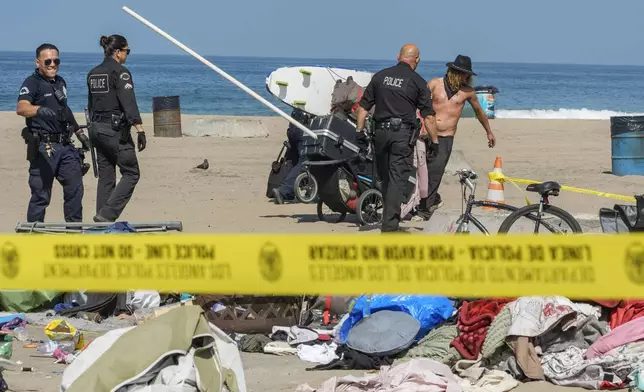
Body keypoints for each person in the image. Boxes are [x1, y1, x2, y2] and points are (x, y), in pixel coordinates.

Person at [355, 44, 438, 233]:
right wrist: (435, 141)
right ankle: (390, 226)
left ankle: (387, 218)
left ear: (398, 56)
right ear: (417, 59)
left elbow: (363, 107)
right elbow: (429, 117)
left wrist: (359, 131)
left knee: (384, 178)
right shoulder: (417, 82)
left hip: (380, 134)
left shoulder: (380, 77)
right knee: (396, 178)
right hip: (401, 136)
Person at [416, 54, 496, 220]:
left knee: (435, 171)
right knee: (419, 170)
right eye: (462, 73)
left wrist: (488, 131)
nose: (465, 76)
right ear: (453, 71)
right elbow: (417, 105)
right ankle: (425, 201)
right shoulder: (434, 84)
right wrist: (419, 125)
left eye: (467, 74)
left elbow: (479, 112)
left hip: (446, 137)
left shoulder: (468, 92)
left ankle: (424, 209)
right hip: (426, 134)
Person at [16, 43, 90, 223]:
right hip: (44, 148)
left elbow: (65, 109)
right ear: (37, 63)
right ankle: (33, 237)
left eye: (56, 60)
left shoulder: (60, 82)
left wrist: (80, 134)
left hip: (65, 146)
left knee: (75, 191)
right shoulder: (32, 83)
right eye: (47, 60)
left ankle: (73, 234)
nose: (52, 64)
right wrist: (39, 110)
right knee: (41, 196)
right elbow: (21, 108)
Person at [86, 34, 147, 222]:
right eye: (127, 51)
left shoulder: (93, 73)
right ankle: (107, 214)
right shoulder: (121, 72)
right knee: (131, 173)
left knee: (106, 177)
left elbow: (91, 104)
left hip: (96, 129)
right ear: (118, 52)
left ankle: (101, 220)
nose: (127, 55)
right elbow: (129, 103)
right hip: (115, 132)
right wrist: (140, 129)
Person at [272, 109, 310, 204]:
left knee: (293, 160)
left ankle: (287, 192)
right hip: (303, 126)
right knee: (305, 161)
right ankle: (283, 191)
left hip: (294, 122)